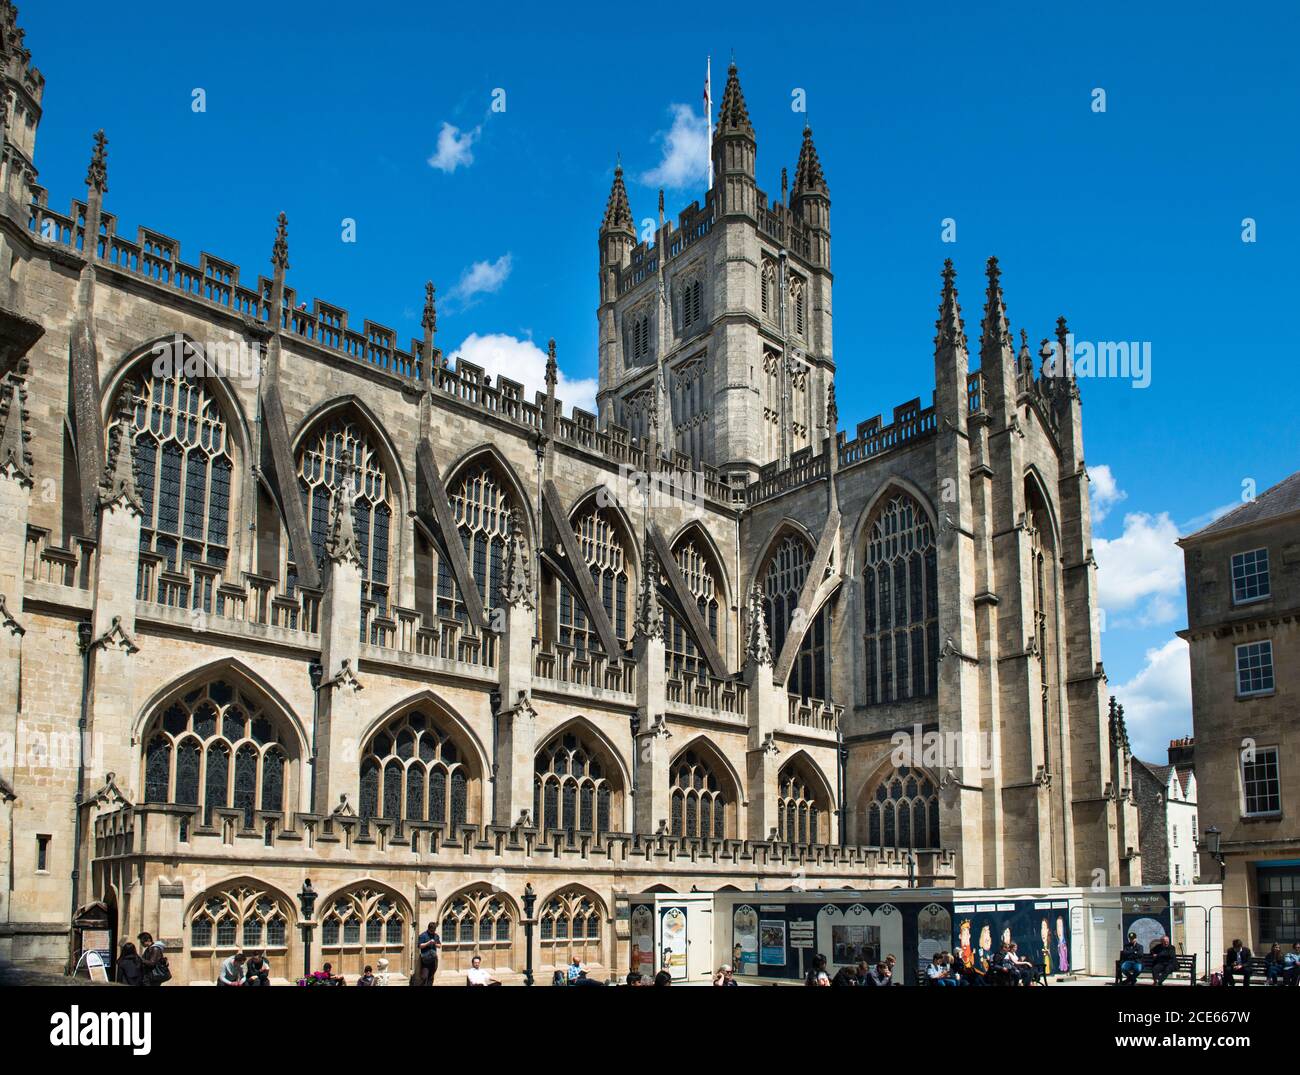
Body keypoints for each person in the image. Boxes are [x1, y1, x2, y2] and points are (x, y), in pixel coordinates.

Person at [417, 921, 441, 986]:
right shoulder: (423, 935)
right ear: (429, 929)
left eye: (434, 930)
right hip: (425, 960)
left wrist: (435, 944)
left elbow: (439, 946)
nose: (434, 931)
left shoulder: (436, 936)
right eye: (432, 930)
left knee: (431, 977)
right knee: (424, 977)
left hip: (433, 960)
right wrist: (428, 943)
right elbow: (419, 946)